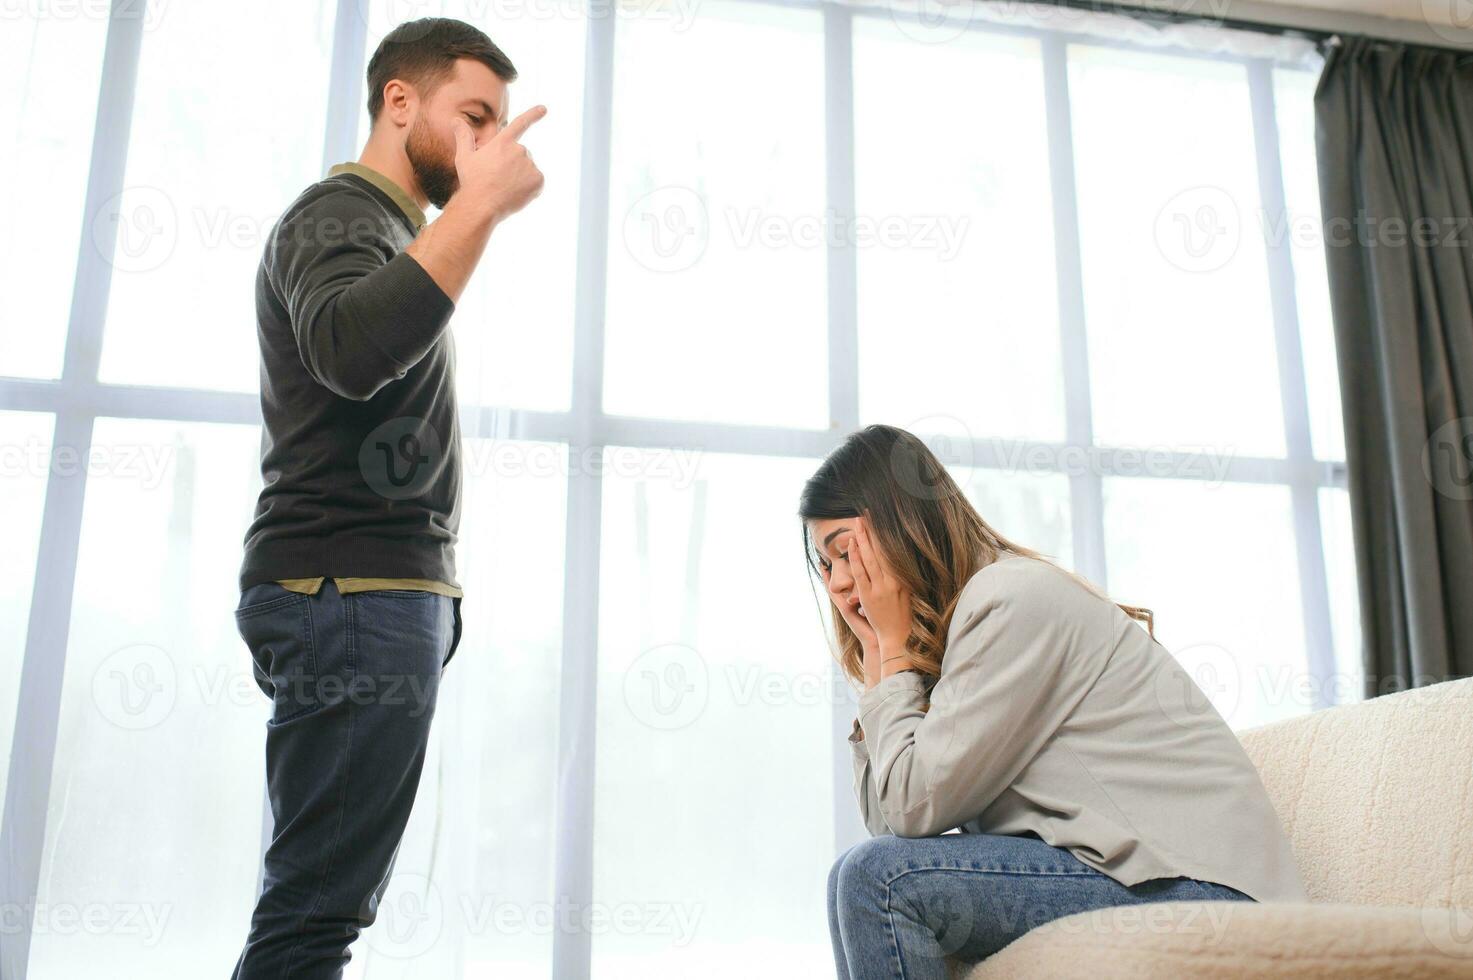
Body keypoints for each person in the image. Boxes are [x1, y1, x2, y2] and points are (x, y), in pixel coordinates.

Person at [230, 17, 545, 978]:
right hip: (350, 596)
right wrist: (481, 209)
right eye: (473, 118)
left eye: (497, 128)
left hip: (365, 599)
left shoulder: (390, 232)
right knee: (316, 914)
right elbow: (353, 350)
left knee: (317, 906)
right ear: (398, 102)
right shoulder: (336, 215)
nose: (488, 146)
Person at [800, 425, 1306, 979]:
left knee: (880, 881)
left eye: (847, 552)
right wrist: (879, 667)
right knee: (858, 874)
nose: (841, 583)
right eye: (826, 567)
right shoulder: (962, 636)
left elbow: (908, 811)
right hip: (1137, 878)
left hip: (1206, 896)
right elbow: (891, 819)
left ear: (902, 524)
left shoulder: (1009, 601)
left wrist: (892, 655)